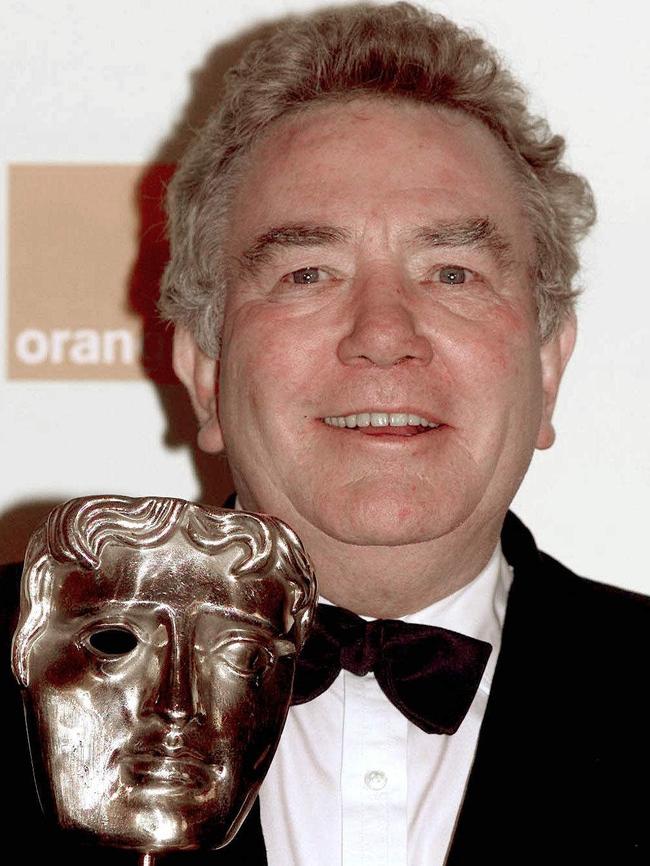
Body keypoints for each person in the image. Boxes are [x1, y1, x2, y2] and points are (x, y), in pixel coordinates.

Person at [158, 3, 650, 865]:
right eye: (308, 273)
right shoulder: (28, 674)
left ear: (546, 369)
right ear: (205, 368)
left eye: (452, 273)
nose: (383, 334)